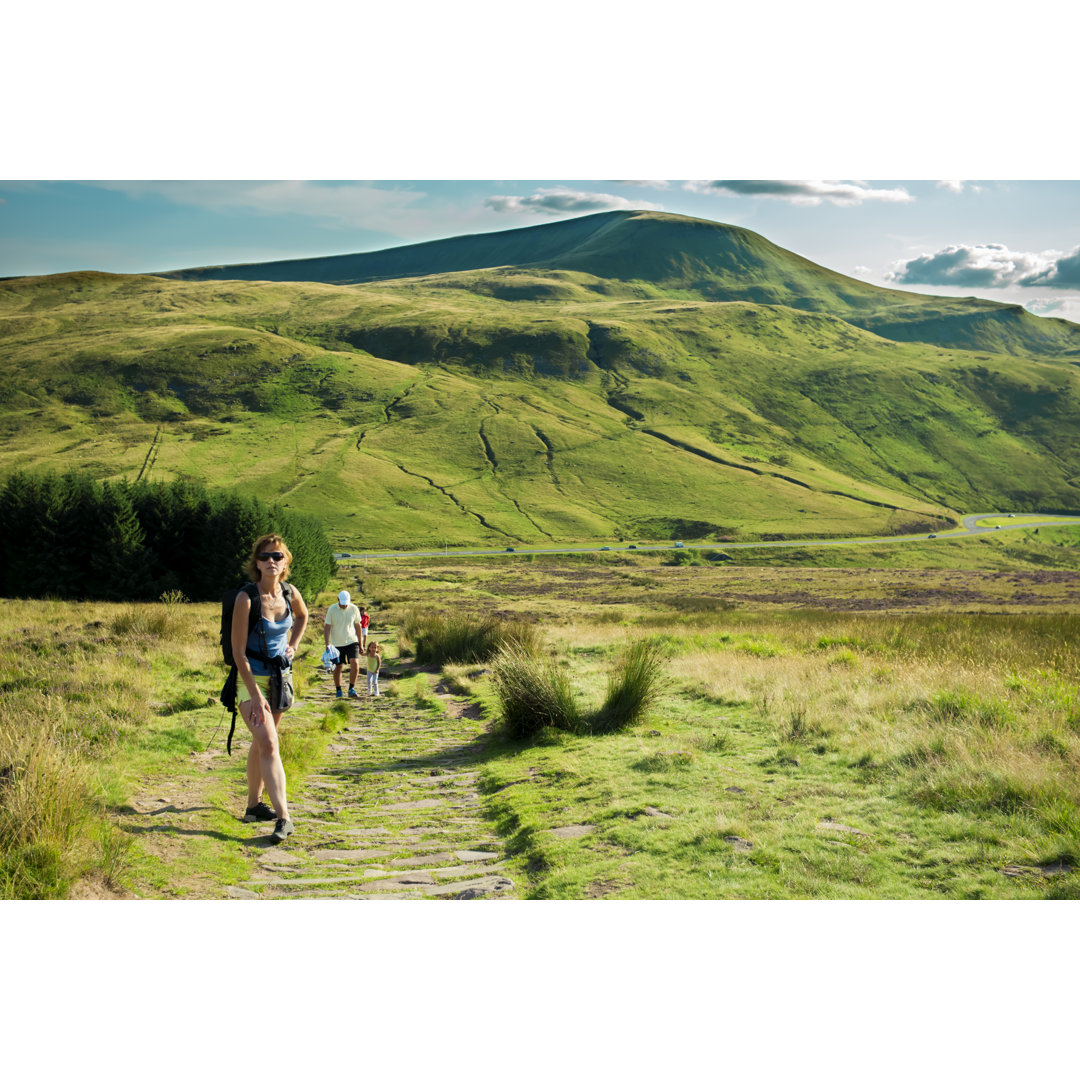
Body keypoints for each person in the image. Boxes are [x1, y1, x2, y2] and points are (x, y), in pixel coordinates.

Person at [232, 533, 308, 844]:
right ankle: (284, 817)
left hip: (281, 678)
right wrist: (255, 694)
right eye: (264, 556)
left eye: (277, 556)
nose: (271, 562)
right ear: (256, 562)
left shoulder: (291, 594)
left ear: (286, 561)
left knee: (262, 742)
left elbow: (302, 617)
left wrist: (293, 644)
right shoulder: (245, 599)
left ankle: (252, 807)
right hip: (250, 680)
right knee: (270, 744)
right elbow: (238, 653)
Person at [324, 590, 363, 698]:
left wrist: (361, 644)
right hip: (337, 643)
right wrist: (327, 643)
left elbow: (358, 626)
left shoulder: (354, 609)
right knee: (338, 667)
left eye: (346, 603)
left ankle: (351, 688)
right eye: (343, 603)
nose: (345, 605)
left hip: (352, 641)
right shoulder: (332, 609)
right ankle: (338, 690)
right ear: (338, 600)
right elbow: (327, 627)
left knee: (355, 663)